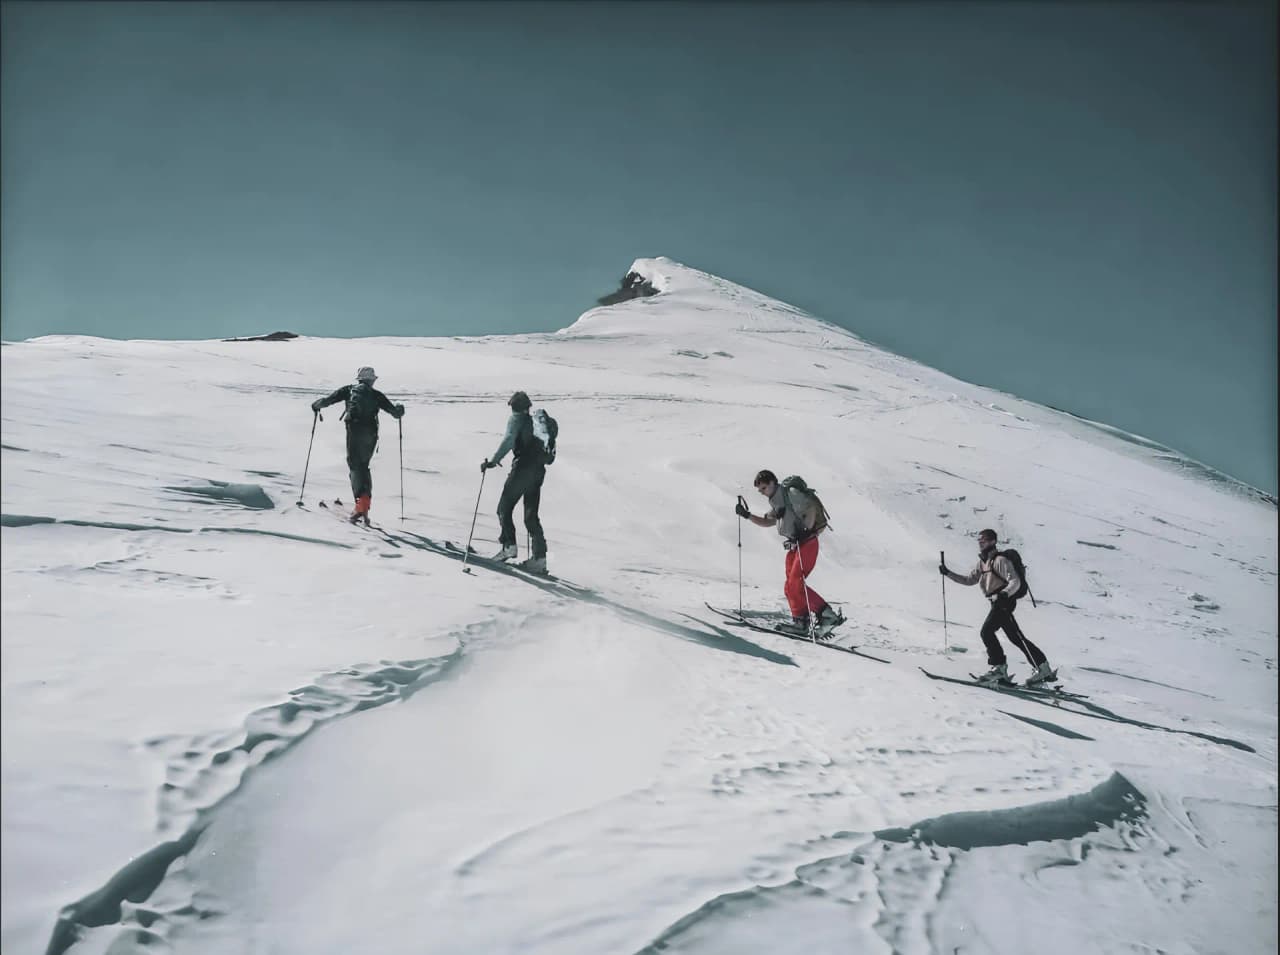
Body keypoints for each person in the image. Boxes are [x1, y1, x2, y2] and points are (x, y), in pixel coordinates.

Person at [940, 529, 1055, 685]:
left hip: (1004, 601)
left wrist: (1005, 594)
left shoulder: (1000, 560)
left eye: (984, 540)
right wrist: (947, 573)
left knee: (986, 632)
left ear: (993, 541)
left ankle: (999, 668)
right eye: (979, 541)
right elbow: (969, 580)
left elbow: (1015, 581)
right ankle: (1042, 667)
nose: (980, 543)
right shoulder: (982, 563)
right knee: (1016, 637)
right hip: (997, 602)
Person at [735, 469, 841, 637]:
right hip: (795, 545)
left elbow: (810, 508)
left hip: (807, 543)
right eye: (760, 490)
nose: (761, 492)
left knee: (795, 583)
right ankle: (800, 622)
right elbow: (767, 521)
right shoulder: (777, 501)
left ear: (772, 483)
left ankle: (827, 616)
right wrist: (747, 515)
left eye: (763, 488)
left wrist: (806, 530)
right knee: (790, 586)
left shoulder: (790, 493)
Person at [310, 366, 404, 524]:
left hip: (354, 432)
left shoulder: (349, 390)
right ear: (372, 380)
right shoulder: (376, 395)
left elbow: (328, 401)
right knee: (363, 466)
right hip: (371, 435)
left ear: (359, 379)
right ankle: (364, 503)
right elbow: (396, 413)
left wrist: (316, 405)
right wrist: (400, 408)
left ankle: (361, 504)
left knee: (355, 466)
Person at [481, 390, 548, 574]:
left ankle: (509, 546)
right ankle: (540, 559)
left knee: (504, 508)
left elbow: (509, 440)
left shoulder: (517, 420)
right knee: (531, 515)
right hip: (538, 471)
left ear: (515, 407)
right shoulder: (535, 423)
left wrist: (493, 461)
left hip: (522, 470)